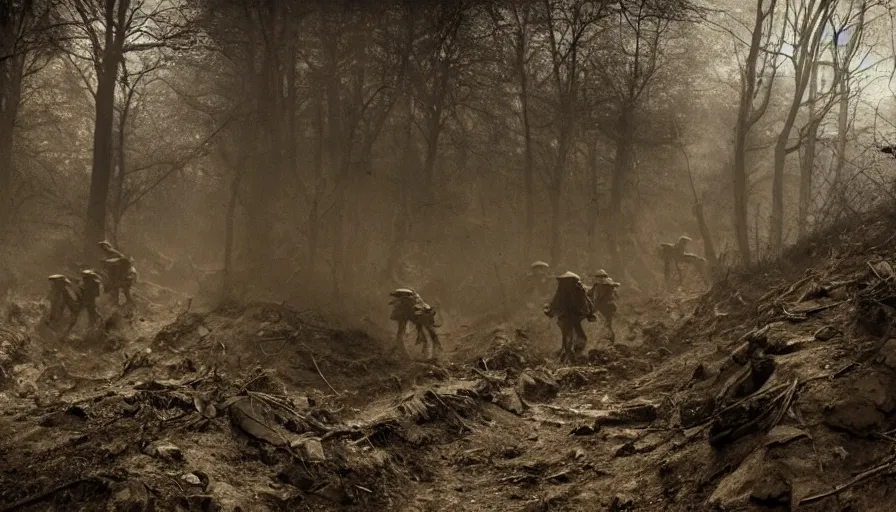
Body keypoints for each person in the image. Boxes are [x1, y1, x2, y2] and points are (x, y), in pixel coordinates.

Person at [543, 271, 595, 363]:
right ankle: (568, 355)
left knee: (572, 335)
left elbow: (586, 303)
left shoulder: (577, 290)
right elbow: (555, 303)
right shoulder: (569, 290)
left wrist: (588, 313)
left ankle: (570, 354)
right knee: (570, 335)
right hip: (569, 316)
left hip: (572, 316)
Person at [389, 288, 441, 359]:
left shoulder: (414, 304)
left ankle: (429, 356)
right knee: (427, 337)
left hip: (421, 320)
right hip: (420, 320)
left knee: (427, 337)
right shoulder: (408, 305)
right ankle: (427, 356)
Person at [97, 241, 137, 310]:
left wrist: (107, 261)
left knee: (122, 289)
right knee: (116, 290)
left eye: (104, 247)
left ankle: (129, 305)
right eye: (102, 248)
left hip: (123, 276)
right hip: (117, 277)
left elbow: (122, 261)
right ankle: (118, 306)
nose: (104, 249)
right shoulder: (108, 255)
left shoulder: (114, 253)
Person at [589, 269, 621, 343]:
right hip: (600, 305)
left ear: (604, 277)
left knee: (608, 323)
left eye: (602, 277)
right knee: (603, 322)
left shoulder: (608, 285)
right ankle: (604, 337)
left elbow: (616, 290)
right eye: (599, 277)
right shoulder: (597, 285)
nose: (600, 278)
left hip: (608, 306)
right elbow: (591, 292)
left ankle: (610, 338)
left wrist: (611, 285)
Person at [67, 269, 103, 334]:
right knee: (77, 314)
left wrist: (89, 292)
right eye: (84, 277)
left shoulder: (95, 283)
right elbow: (80, 291)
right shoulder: (84, 282)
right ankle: (69, 330)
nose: (85, 278)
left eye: (86, 277)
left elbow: (97, 294)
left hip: (90, 302)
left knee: (92, 316)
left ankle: (91, 329)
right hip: (83, 301)